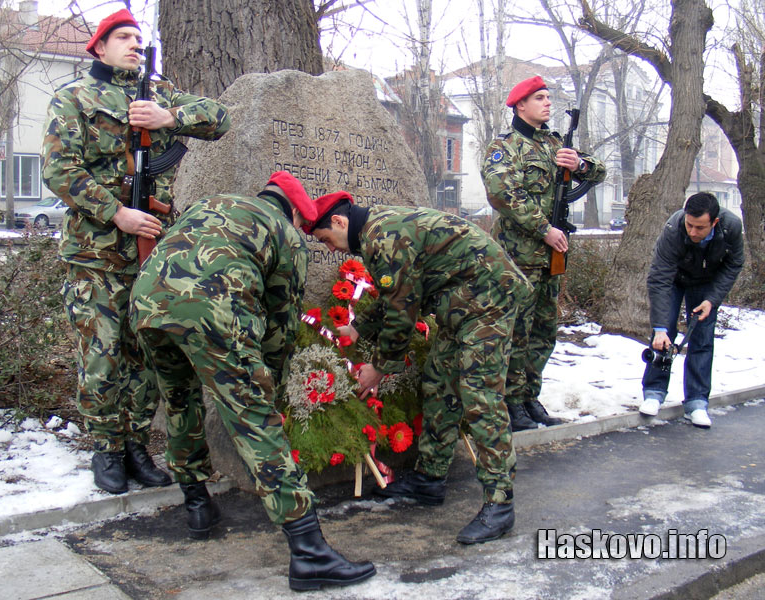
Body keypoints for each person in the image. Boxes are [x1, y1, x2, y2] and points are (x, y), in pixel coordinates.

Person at [128, 172, 376, 591]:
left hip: (147, 305)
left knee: (179, 398)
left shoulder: (212, 203)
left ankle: (197, 504)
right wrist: (269, 388)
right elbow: (281, 326)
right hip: (211, 313)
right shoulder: (286, 234)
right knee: (255, 421)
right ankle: (310, 553)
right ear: (296, 212)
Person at [41, 9, 231, 494]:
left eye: (137, 37)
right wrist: (116, 213)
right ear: (100, 47)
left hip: (152, 252)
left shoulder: (160, 93)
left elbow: (221, 118)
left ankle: (135, 445)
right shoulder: (74, 98)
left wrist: (171, 117)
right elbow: (60, 170)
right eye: (122, 36)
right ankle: (106, 448)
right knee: (103, 356)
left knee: (146, 355)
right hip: (96, 254)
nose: (132, 44)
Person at [304, 191, 533, 545]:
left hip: (489, 299)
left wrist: (378, 368)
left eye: (325, 239)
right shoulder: (377, 232)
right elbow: (399, 294)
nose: (330, 249)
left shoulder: (383, 237)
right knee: (439, 382)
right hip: (464, 302)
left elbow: (402, 315)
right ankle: (430, 479)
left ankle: (500, 502)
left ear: (338, 221)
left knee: (480, 397)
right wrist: (359, 328)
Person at [481, 75, 606, 431]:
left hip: (551, 257)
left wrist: (579, 165)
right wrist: (544, 229)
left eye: (548, 97)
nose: (547, 102)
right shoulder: (505, 147)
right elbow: (502, 194)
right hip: (518, 258)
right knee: (515, 331)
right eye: (539, 97)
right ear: (520, 105)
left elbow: (599, 171)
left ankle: (529, 397)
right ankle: (510, 402)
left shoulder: (555, 145)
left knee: (544, 330)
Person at [638, 192, 744, 428]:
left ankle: (697, 403)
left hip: (706, 283)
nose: (693, 232)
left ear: (714, 222)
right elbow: (659, 277)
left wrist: (712, 299)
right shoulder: (674, 228)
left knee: (702, 338)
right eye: (690, 225)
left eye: (700, 227)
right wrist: (659, 328)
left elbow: (734, 263)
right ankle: (654, 392)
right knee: (664, 333)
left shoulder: (731, 227)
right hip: (674, 279)